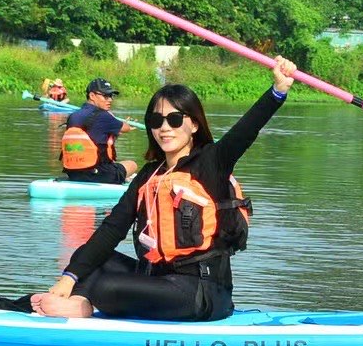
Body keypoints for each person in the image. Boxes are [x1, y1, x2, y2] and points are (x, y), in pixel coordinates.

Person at [31, 56, 296, 322]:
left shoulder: (212, 162)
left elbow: (246, 130)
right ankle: (74, 300)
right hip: (159, 281)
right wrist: (68, 279)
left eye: (175, 118)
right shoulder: (150, 174)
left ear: (193, 124)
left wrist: (278, 91)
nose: (165, 128)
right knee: (86, 257)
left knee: (106, 286)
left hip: (201, 293)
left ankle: (83, 306)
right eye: (157, 120)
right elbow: (112, 229)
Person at [61, 77, 139, 184]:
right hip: (98, 174)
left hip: (73, 173)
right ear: (92, 96)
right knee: (132, 164)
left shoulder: (73, 116)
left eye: (111, 96)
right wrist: (127, 125)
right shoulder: (104, 116)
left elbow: (94, 137)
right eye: (105, 96)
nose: (110, 99)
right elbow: (125, 128)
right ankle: (122, 180)